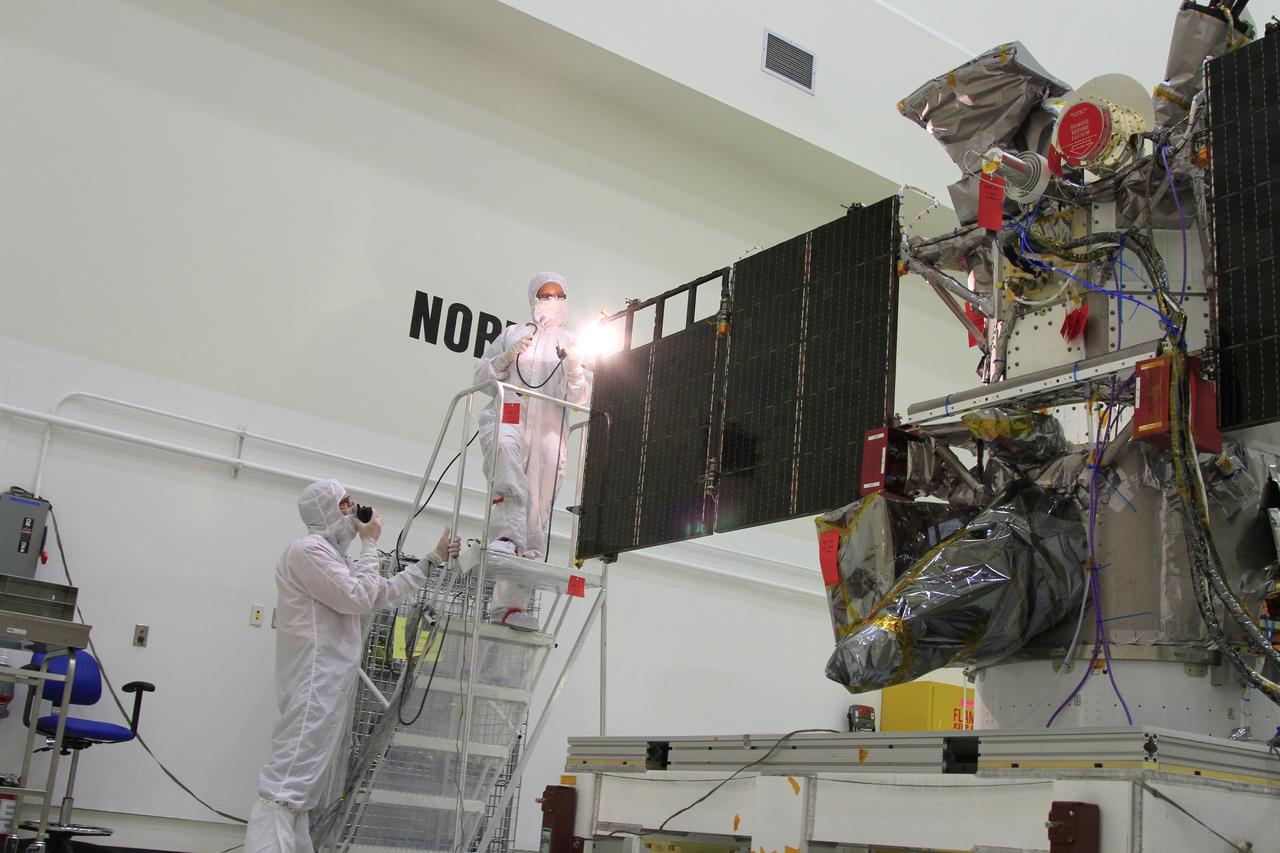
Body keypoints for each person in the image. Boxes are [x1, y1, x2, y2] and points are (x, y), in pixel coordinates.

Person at [245, 479, 460, 853]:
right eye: (346, 503)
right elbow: (360, 598)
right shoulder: (307, 551)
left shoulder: (334, 557)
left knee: (301, 789)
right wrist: (371, 543)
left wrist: (432, 559)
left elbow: (381, 592)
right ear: (326, 511)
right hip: (314, 678)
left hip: (329, 678)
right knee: (286, 786)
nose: (355, 508)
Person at [473, 272, 591, 630]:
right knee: (509, 481)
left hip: (548, 437)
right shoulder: (513, 334)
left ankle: (510, 606)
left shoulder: (574, 342)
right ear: (533, 297)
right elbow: (479, 379)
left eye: (558, 295)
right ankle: (504, 538)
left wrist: (574, 367)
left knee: (537, 513)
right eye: (544, 294)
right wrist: (506, 358)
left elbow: (580, 399)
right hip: (509, 421)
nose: (551, 300)